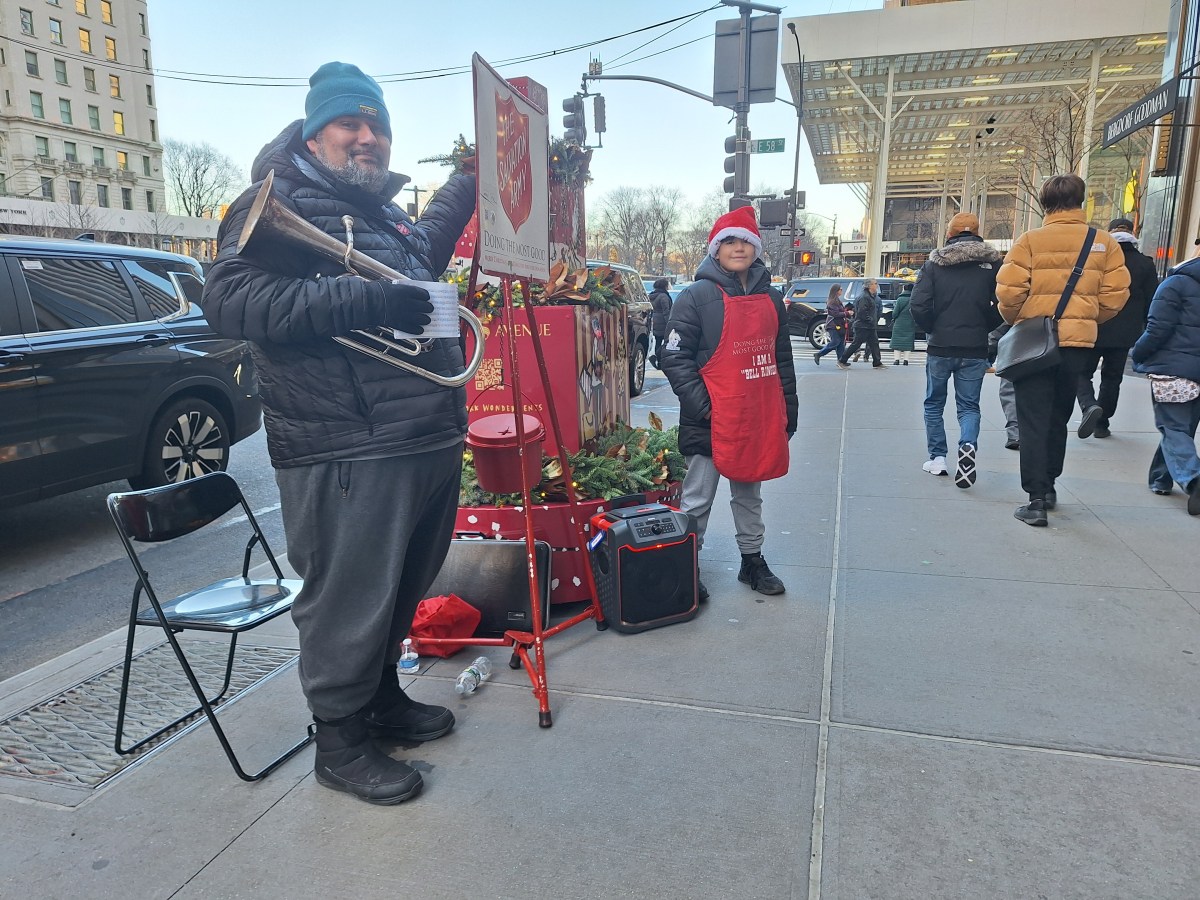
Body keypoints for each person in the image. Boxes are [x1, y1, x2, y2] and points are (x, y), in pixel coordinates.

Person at [200, 62, 476, 804]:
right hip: (346, 444)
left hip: (418, 433)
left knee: (398, 591)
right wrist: (364, 300)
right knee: (349, 599)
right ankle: (341, 741)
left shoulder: (376, 212)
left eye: (377, 125)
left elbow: (417, 259)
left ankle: (380, 698)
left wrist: (471, 183)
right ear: (315, 131)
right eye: (350, 123)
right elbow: (229, 301)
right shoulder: (274, 201)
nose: (367, 137)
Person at [661, 206, 797, 597]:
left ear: (756, 248)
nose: (739, 249)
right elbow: (674, 356)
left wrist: (787, 410)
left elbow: (780, 359)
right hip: (710, 419)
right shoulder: (696, 297)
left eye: (746, 242)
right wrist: (705, 407)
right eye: (730, 242)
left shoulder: (771, 299)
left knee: (749, 496)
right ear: (716, 249)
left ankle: (752, 561)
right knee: (698, 497)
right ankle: (686, 566)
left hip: (755, 416)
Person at [996, 174, 1130, 526]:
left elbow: (1009, 294)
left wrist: (1022, 320)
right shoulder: (1103, 243)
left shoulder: (1029, 241)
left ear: (1044, 203)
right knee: (1058, 418)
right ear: (1081, 200)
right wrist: (1085, 317)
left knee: (1032, 420)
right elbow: (1115, 296)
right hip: (1076, 344)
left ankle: (1035, 498)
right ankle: (1050, 486)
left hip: (1035, 344)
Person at [910, 212, 1003, 487]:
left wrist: (932, 327)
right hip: (974, 347)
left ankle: (937, 458)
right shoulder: (993, 265)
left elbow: (919, 305)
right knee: (968, 407)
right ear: (978, 234)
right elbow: (1004, 303)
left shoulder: (934, 265)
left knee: (933, 403)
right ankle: (968, 444)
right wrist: (984, 325)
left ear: (949, 235)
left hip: (940, 345)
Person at [1130, 248, 1200, 515]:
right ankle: (1160, 478)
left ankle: (1194, 477)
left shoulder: (1176, 283)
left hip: (1175, 368)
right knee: (1182, 428)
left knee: (1173, 427)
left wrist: (1138, 353)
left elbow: (1157, 328)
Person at [1075, 218, 1159, 438]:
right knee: (1112, 377)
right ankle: (1102, 424)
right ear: (1133, 233)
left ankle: (1088, 405)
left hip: (1094, 325)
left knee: (1081, 372)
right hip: (1125, 332)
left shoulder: (1095, 259)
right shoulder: (1145, 263)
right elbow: (1152, 301)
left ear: (1109, 232)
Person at [837, 279, 885, 368]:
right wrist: (870, 320)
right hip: (863, 325)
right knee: (856, 344)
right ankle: (842, 360)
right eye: (875, 284)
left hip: (869, 326)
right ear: (869, 286)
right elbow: (862, 312)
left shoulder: (871, 296)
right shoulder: (864, 297)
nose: (877, 285)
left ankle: (877, 362)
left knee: (874, 343)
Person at [988, 322, 1021, 450]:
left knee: (1009, 391)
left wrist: (989, 354)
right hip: (1046, 346)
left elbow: (1004, 320)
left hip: (1014, 347)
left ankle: (1015, 433)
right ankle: (1038, 435)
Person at [813, 283, 847, 364]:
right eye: (840, 289)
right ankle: (819, 354)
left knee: (841, 343)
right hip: (833, 324)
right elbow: (835, 314)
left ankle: (841, 360)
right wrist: (846, 313)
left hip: (839, 324)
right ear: (836, 291)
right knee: (835, 342)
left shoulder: (837, 300)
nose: (842, 291)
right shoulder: (832, 302)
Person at [648, 277, 673, 370]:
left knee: (658, 341)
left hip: (654, 321)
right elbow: (666, 311)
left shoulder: (651, 295)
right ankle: (660, 360)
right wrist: (670, 323)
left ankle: (659, 362)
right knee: (667, 341)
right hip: (663, 322)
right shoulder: (664, 296)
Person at [889, 282, 917, 365]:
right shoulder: (914, 299)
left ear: (904, 289)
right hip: (910, 323)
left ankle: (896, 360)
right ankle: (906, 360)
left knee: (897, 342)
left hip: (899, 323)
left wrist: (893, 317)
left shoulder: (900, 299)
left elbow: (895, 313)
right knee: (908, 342)